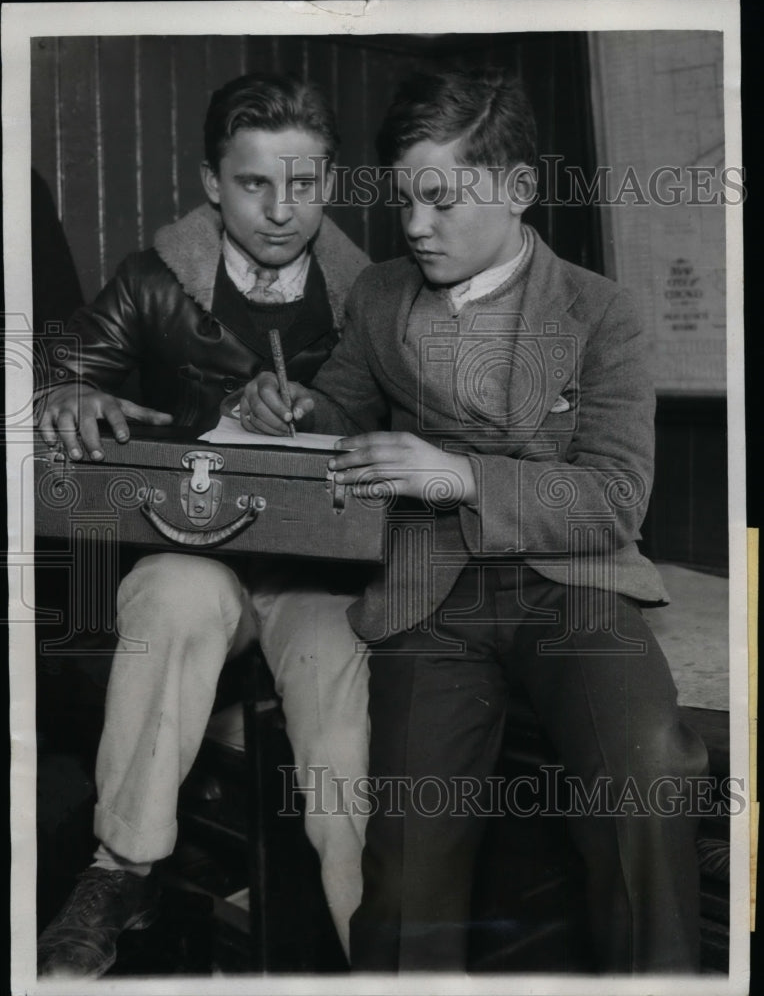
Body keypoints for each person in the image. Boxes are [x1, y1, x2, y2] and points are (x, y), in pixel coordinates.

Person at [244, 67, 710, 973]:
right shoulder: (379, 296)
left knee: (648, 779)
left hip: (576, 588)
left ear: (520, 188)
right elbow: (338, 406)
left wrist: (460, 473)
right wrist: (298, 409)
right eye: (406, 200)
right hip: (431, 596)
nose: (416, 226)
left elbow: (615, 499)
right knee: (408, 865)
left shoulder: (603, 312)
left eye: (442, 200)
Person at [35, 72, 371, 977]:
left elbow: (411, 431)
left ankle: (372, 930)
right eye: (255, 183)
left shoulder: (372, 293)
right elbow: (61, 369)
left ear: (330, 183)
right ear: (212, 183)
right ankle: (120, 869)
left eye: (303, 184)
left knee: (345, 691)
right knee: (170, 597)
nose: (279, 209)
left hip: (319, 574)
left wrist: (329, 416)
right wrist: (64, 390)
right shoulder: (153, 280)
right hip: (199, 554)